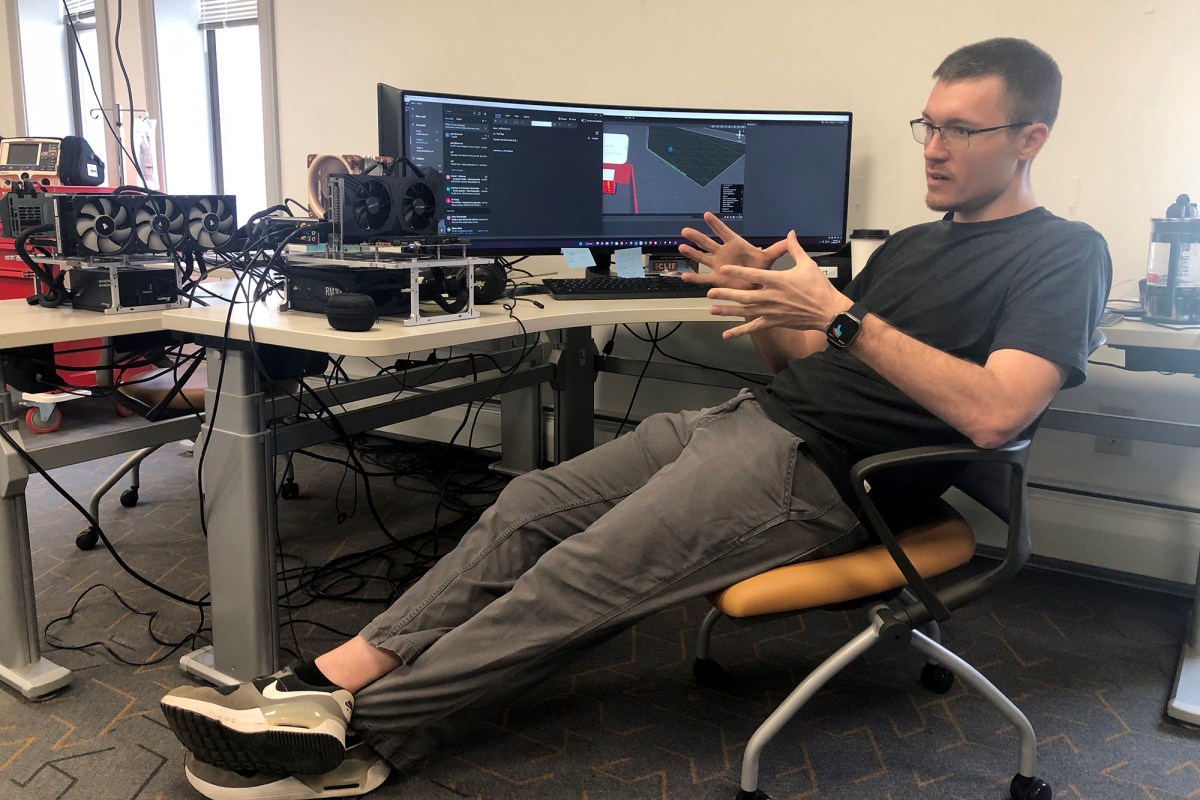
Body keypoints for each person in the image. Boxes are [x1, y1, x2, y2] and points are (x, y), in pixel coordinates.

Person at [162, 37, 1111, 799]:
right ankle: (328, 680)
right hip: (750, 420)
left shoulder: (1065, 254)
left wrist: (836, 313)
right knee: (528, 504)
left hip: (827, 476)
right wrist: (768, 306)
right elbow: (820, 365)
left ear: (1031, 138)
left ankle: (358, 738)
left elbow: (997, 413)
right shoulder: (911, 245)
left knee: (578, 578)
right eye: (927, 126)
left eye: (962, 131)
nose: (934, 149)